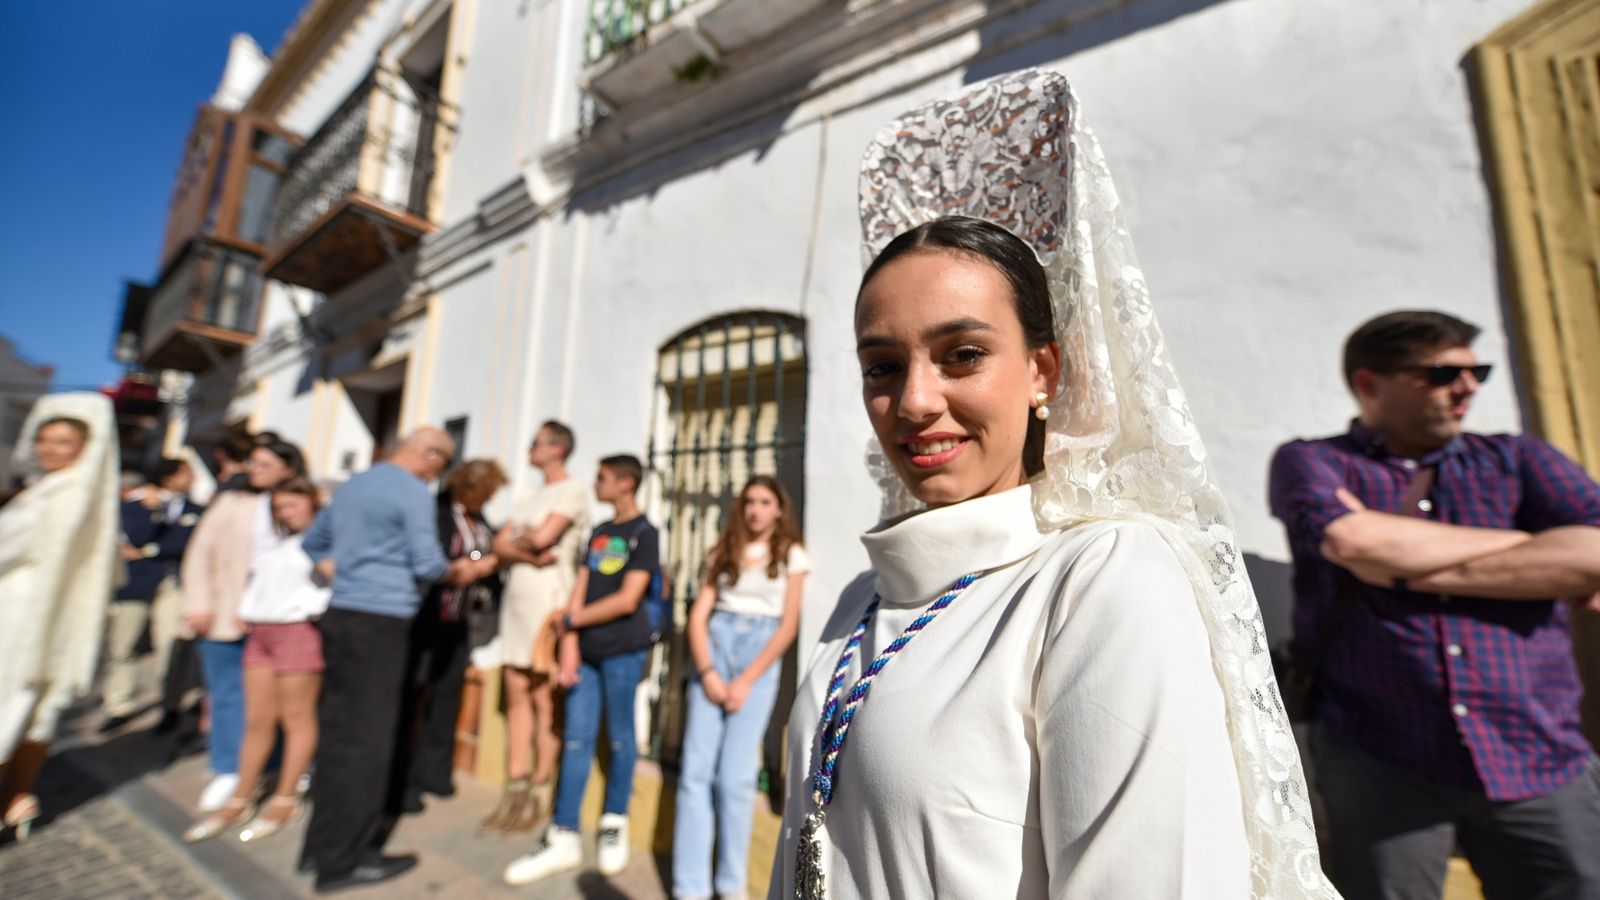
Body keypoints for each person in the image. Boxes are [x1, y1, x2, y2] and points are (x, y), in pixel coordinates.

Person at [768, 71, 1332, 898]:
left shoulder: (1102, 581)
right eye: (883, 366)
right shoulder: (862, 597)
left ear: (1043, 371)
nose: (915, 402)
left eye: (962, 355)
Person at [1269, 309, 1600, 899]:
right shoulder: (1313, 461)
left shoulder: (1519, 459)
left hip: (1537, 750)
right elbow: (1352, 542)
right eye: (1442, 374)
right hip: (1380, 755)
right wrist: (1533, 548)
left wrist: (1395, 565)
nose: (1468, 387)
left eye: (1478, 373)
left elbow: (1595, 553)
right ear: (1370, 383)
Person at [298, 427, 470, 893]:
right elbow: (429, 564)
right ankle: (345, 861)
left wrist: (343, 569)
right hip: (382, 624)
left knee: (338, 736)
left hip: (342, 615)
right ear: (430, 456)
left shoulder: (354, 485)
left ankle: (319, 847)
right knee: (369, 744)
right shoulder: (411, 491)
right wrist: (464, 570)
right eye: (442, 464)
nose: (438, 474)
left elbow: (313, 544)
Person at [504, 454, 658, 884]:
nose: (596, 483)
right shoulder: (602, 530)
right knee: (576, 739)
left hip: (622, 651)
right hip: (586, 653)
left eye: (603, 477)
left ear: (626, 483)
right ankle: (563, 834)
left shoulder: (646, 534)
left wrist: (572, 621)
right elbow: (583, 585)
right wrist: (569, 641)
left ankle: (614, 822)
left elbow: (628, 599)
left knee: (621, 737)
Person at [673, 476, 808, 900]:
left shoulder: (791, 555)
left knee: (735, 778)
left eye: (765, 501)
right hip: (716, 648)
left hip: (758, 658)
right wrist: (708, 671)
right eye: (750, 501)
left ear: (779, 509)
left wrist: (747, 680)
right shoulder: (724, 550)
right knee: (695, 772)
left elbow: (788, 626)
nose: (756, 510)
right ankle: (690, 886)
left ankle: (730, 885)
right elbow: (698, 617)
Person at [184, 476, 329, 844]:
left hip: (297, 630)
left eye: (293, 504)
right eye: (279, 507)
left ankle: (285, 797)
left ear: (313, 501)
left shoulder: (325, 540)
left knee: (296, 718)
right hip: (260, 632)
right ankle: (241, 797)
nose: (286, 512)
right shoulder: (276, 541)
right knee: (257, 720)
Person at [0, 394, 119, 841]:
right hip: (46, 622)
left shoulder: (56, 498)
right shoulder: (84, 498)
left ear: (84, 448)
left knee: (10, 706)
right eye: (44, 439)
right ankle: (18, 797)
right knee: (33, 711)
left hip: (18, 619)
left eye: (63, 442)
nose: (49, 449)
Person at [483, 421, 588, 833]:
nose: (529, 448)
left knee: (545, 697)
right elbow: (499, 544)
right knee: (515, 691)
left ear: (557, 448)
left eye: (536, 442)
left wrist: (522, 541)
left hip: (548, 602)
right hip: (517, 603)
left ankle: (540, 786)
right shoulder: (528, 495)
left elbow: (544, 537)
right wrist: (525, 548)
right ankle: (515, 783)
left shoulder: (572, 490)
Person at [396, 458, 508, 814]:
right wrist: (477, 564)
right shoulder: (436, 513)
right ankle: (402, 782)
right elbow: (434, 561)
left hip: (459, 621)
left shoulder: (479, 519)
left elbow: (487, 554)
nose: (488, 500)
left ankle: (435, 772)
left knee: (447, 698)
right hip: (427, 618)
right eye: (486, 492)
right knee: (413, 699)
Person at [102, 457, 198, 731]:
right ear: (169, 477)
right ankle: (119, 704)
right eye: (186, 472)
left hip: (172, 583)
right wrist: (152, 512)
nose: (192, 478)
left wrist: (149, 550)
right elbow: (132, 538)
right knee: (123, 645)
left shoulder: (194, 509)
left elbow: (184, 543)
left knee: (170, 645)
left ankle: (170, 705)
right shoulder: (134, 506)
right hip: (135, 583)